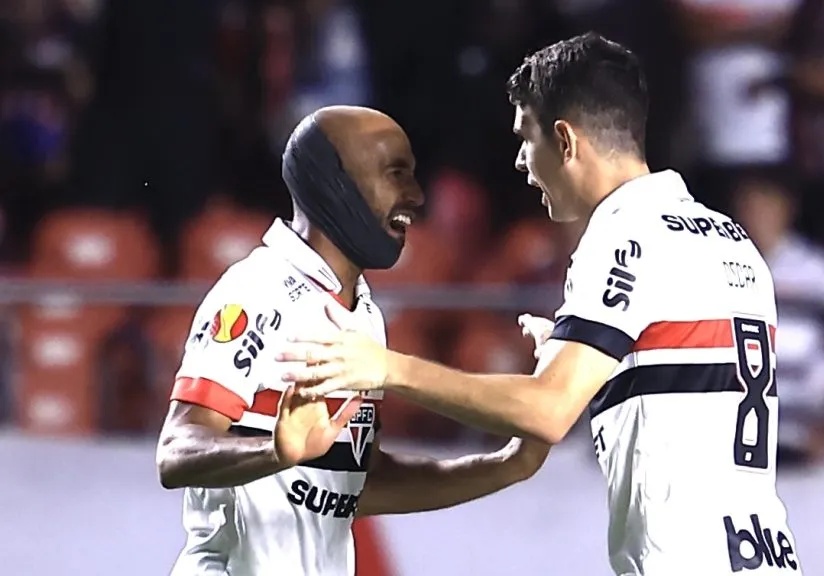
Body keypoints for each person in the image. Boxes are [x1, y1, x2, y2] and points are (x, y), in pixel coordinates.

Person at [279, 34, 802, 576]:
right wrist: (588, 354)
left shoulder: (624, 234)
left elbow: (548, 410)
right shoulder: (730, 239)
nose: (521, 163)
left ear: (565, 140)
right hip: (765, 558)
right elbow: (686, 376)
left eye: (525, 138)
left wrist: (388, 368)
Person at [155, 106, 551, 576]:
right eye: (395, 173)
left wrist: (508, 464)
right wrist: (276, 453)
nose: (416, 195)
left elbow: (359, 486)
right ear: (333, 183)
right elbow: (176, 450)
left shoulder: (364, 314)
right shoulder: (256, 290)